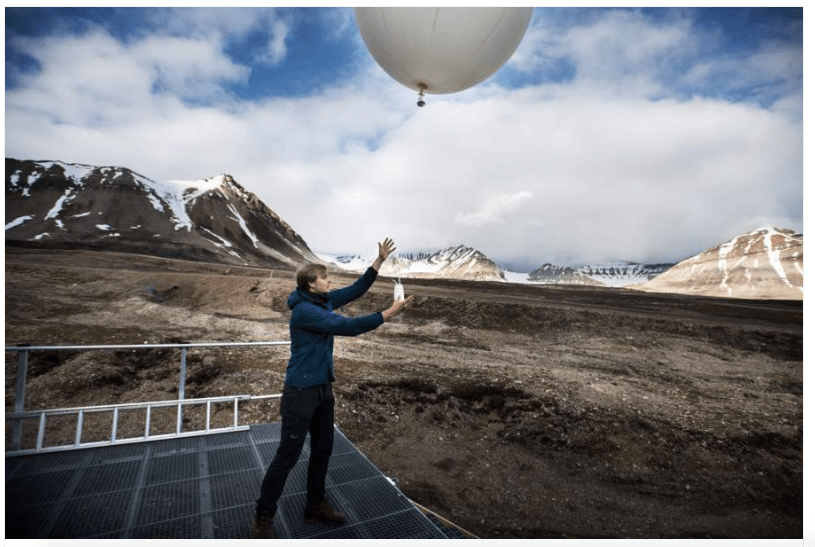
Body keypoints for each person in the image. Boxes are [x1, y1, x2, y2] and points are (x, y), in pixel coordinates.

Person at [253, 238, 413, 539]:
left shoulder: (321, 300)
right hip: (300, 391)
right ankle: (263, 517)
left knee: (323, 449)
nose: (330, 280)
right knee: (287, 456)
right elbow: (347, 327)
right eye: (324, 278)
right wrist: (390, 313)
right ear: (311, 285)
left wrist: (378, 261)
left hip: (323, 389)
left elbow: (356, 290)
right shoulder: (305, 311)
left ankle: (315, 505)